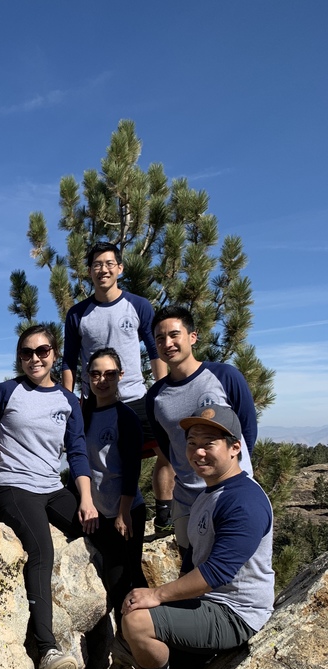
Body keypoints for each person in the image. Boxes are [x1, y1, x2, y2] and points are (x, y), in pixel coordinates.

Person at [50, 405, 273, 669]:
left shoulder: (243, 500)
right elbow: (193, 561)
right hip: (210, 606)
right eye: (192, 442)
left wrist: (156, 596)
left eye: (210, 443)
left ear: (235, 448)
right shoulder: (211, 493)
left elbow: (217, 571)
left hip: (234, 613)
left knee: (138, 623)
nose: (198, 450)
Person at [0, 324, 97, 669]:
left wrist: (87, 502)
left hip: (52, 486)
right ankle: (47, 651)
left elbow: (77, 453)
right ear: (20, 357)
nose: (35, 358)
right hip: (14, 486)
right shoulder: (6, 392)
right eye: (27, 352)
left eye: (43, 351)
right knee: (41, 549)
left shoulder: (68, 400)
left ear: (54, 354)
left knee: (96, 531)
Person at [61, 242, 174, 534]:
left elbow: (154, 351)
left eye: (110, 264)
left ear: (120, 268)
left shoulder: (138, 305)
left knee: (166, 451)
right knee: (98, 462)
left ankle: (164, 515)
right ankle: (95, 516)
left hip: (136, 397)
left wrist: (160, 391)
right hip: (95, 402)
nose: (103, 270)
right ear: (89, 271)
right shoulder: (77, 314)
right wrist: (68, 400)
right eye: (97, 264)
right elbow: (69, 361)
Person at [146, 305, 258, 551]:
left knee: (231, 571)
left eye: (174, 335)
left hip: (232, 494)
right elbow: (169, 445)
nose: (168, 343)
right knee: (190, 568)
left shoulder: (225, 376)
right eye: (160, 338)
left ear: (192, 337)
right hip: (187, 501)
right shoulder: (155, 396)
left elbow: (247, 429)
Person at [83, 348, 147, 630]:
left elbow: (133, 467)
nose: (102, 380)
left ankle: (143, 635)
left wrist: (123, 512)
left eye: (109, 374)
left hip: (125, 511)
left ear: (120, 376)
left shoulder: (126, 417)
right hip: (97, 512)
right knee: (111, 576)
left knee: (127, 577)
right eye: (96, 374)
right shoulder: (83, 415)